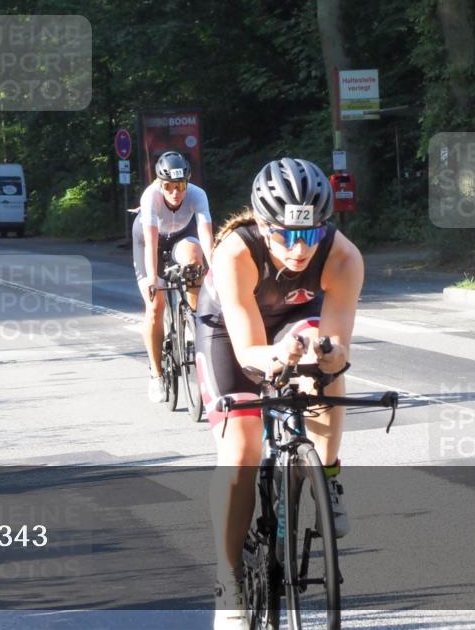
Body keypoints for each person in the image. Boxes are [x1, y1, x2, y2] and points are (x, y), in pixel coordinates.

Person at [196, 158, 361, 630]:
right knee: (243, 446)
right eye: (285, 235)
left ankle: (325, 476)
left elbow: (338, 348)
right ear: (263, 226)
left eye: (309, 235)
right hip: (228, 332)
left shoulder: (344, 257)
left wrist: (323, 354)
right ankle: (229, 580)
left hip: (295, 318)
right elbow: (249, 351)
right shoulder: (235, 253)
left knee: (320, 370)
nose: (298, 249)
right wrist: (275, 357)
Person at [138, 151, 213, 403]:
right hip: (150, 243)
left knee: (195, 261)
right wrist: (152, 278)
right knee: (155, 306)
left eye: (180, 186)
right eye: (169, 186)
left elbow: (206, 239)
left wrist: (213, 272)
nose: (175, 192)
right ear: (160, 184)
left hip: (181, 236)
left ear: (187, 182)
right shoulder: (150, 197)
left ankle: (192, 322)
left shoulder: (197, 195)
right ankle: (157, 375)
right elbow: (150, 243)